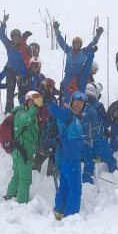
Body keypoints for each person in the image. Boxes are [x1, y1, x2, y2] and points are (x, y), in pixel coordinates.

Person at [47, 91, 87, 219]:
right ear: (71, 102)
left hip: (67, 158)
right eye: (76, 103)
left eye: (81, 104)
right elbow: (55, 110)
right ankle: (71, 217)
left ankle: (59, 211)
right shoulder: (67, 114)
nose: (78, 105)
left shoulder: (76, 118)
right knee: (75, 188)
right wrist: (49, 100)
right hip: (69, 158)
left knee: (65, 186)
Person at [4, 91, 43, 204]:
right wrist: (36, 107)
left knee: (17, 175)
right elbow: (27, 120)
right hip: (22, 153)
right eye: (32, 101)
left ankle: (9, 195)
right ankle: (22, 203)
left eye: (36, 101)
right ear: (26, 101)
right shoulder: (21, 113)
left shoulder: (29, 113)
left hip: (20, 152)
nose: (34, 103)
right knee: (25, 179)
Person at [55, 21, 103, 100]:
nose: (76, 45)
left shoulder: (84, 52)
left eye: (78, 44)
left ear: (80, 45)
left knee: (77, 94)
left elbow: (92, 44)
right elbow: (61, 42)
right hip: (68, 76)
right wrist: (57, 31)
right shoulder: (68, 50)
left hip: (78, 77)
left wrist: (97, 35)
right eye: (75, 44)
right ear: (73, 44)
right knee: (66, 94)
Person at [81, 82, 118, 183]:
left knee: (88, 163)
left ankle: (87, 181)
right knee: (109, 158)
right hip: (97, 140)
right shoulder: (98, 105)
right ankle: (116, 176)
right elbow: (106, 123)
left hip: (84, 140)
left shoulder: (80, 103)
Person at [0, 13, 29, 113]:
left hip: (21, 73)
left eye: (17, 36)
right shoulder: (9, 44)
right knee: (10, 92)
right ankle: (9, 111)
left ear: (20, 37)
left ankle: (23, 110)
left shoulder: (25, 46)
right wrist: (4, 22)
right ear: (11, 38)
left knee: (22, 92)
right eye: (13, 36)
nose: (15, 38)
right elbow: (1, 35)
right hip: (10, 72)